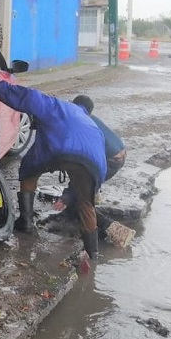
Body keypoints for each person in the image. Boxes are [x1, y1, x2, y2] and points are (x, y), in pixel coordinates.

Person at [0, 78, 106, 272]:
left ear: (75, 103)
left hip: (57, 149)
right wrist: (72, 195)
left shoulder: (61, 107)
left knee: (29, 170)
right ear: (89, 112)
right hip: (92, 165)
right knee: (86, 203)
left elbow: (29, 97)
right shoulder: (93, 126)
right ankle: (93, 252)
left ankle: (27, 222)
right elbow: (99, 167)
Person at [53, 95, 135, 248]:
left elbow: (84, 168)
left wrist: (66, 198)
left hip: (109, 160)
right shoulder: (87, 117)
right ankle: (94, 196)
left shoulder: (75, 123)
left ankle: (116, 231)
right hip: (118, 153)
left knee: (82, 200)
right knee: (83, 189)